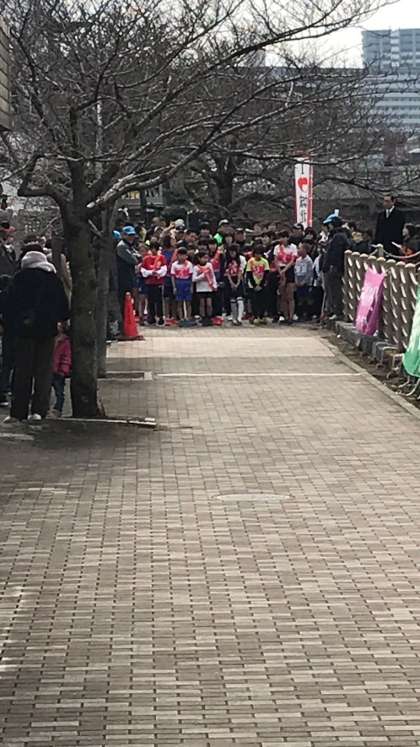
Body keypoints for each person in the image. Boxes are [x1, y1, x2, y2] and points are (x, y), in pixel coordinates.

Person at [3, 249, 69, 423]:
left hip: (24, 332)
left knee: (22, 371)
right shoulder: (52, 279)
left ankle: (18, 411)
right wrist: (59, 322)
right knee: (44, 371)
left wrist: (12, 326)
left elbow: (8, 306)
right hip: (47, 331)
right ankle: (39, 410)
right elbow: (63, 306)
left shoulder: (19, 279)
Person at [323, 217, 350, 320]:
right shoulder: (339, 235)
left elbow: (335, 253)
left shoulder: (338, 237)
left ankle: (338, 311)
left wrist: (331, 265)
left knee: (335, 290)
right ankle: (334, 310)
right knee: (332, 290)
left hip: (335, 267)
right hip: (335, 266)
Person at [274, 233, 298, 324]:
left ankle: (291, 316)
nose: (282, 239)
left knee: (290, 295)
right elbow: (276, 260)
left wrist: (285, 270)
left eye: (284, 237)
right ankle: (285, 316)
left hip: (289, 270)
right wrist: (280, 271)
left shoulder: (293, 247)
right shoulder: (277, 248)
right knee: (283, 295)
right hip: (279, 270)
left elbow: (292, 260)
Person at [141, 245, 167, 326]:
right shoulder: (146, 258)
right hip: (149, 282)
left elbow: (164, 269)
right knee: (150, 301)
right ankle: (151, 317)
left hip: (158, 282)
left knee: (159, 301)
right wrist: (150, 272)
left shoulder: (161, 257)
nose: (153, 250)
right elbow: (143, 270)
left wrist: (158, 273)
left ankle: (160, 317)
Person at [116, 226, 139, 313]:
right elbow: (134, 260)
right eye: (129, 235)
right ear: (123, 235)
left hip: (130, 276)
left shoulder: (129, 246)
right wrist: (136, 256)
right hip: (123, 277)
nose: (131, 237)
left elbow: (139, 256)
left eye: (132, 235)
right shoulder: (122, 246)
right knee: (123, 299)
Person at [51, 322, 72, 417]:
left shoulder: (65, 342)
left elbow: (66, 357)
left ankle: (58, 409)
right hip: (50, 369)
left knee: (59, 392)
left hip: (58, 371)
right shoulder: (51, 340)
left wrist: (63, 370)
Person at [246, 244, 269, 324]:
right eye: (256, 253)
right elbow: (249, 273)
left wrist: (261, 285)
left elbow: (266, 274)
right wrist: (255, 285)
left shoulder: (265, 262)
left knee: (263, 301)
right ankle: (255, 316)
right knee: (254, 301)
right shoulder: (250, 261)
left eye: (259, 253)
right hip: (253, 284)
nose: (257, 255)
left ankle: (262, 316)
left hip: (262, 284)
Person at [192, 251, 217, 325]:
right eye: (203, 258)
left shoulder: (209, 265)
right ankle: (202, 318)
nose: (205, 259)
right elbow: (193, 279)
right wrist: (202, 276)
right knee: (202, 304)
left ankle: (209, 317)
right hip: (200, 288)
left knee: (209, 304)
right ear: (199, 258)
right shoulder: (196, 267)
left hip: (209, 287)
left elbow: (212, 275)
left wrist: (215, 285)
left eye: (206, 258)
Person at [171, 248, 194, 325]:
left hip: (187, 282)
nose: (182, 257)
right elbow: (173, 277)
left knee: (188, 302)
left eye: (184, 255)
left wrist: (191, 286)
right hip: (178, 283)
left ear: (186, 256)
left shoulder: (189, 264)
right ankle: (181, 318)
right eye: (180, 255)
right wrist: (174, 287)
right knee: (179, 302)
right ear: (177, 256)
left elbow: (191, 276)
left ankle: (188, 318)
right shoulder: (174, 265)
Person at [224, 244, 246, 325]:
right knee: (232, 299)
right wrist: (231, 283)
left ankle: (239, 317)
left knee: (240, 299)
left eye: (233, 252)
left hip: (239, 279)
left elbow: (240, 271)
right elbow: (227, 272)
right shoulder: (227, 260)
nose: (232, 254)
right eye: (230, 252)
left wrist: (237, 283)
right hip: (230, 280)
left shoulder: (241, 259)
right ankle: (234, 317)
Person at [0, 274, 13, 407]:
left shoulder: (3, 297)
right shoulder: (14, 296)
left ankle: (3, 389)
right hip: (15, 332)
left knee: (6, 363)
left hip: (6, 332)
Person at [294, 242, 314, 321]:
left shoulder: (308, 260)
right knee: (299, 299)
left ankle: (307, 314)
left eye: (301, 249)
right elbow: (296, 271)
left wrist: (304, 281)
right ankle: (300, 314)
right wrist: (296, 281)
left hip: (306, 283)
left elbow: (309, 273)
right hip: (298, 280)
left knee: (306, 299)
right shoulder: (298, 260)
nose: (299, 250)